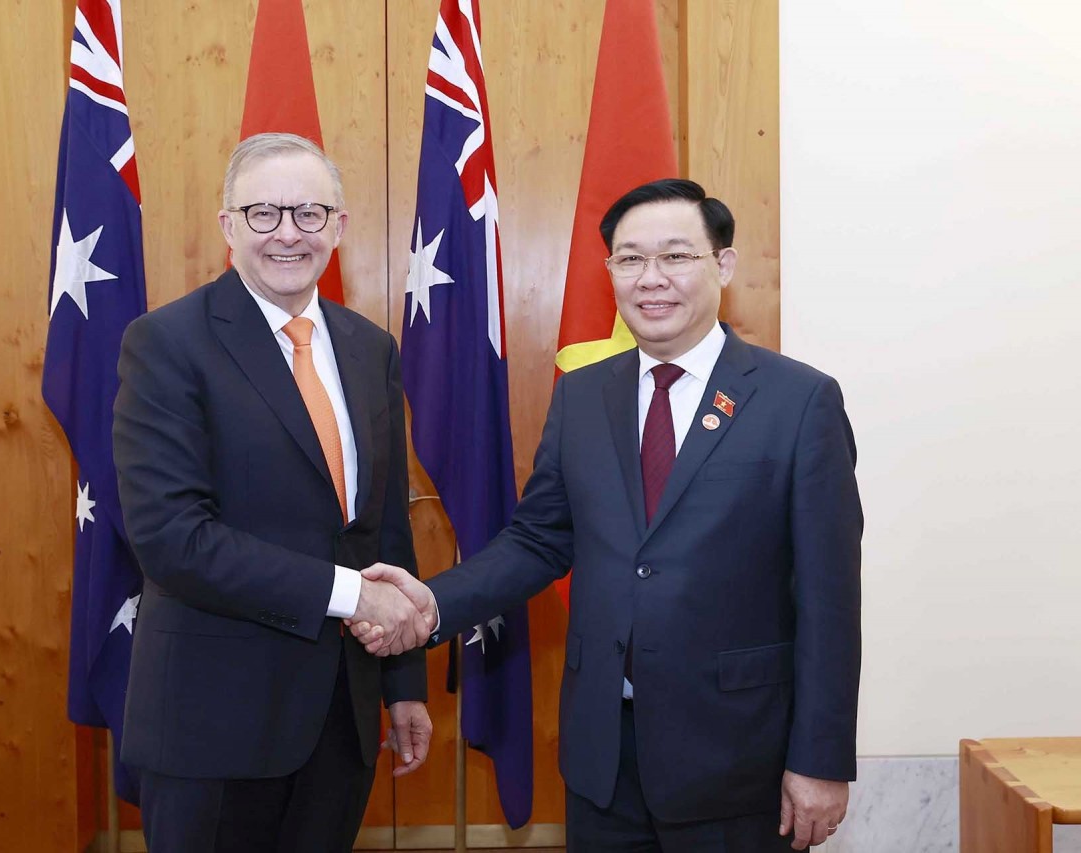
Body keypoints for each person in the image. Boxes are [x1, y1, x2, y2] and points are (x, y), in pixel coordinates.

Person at [354, 179, 863, 852]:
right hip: (602, 758)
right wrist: (429, 604)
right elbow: (538, 539)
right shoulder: (586, 397)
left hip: (736, 759)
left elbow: (830, 598)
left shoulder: (799, 402)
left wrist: (821, 758)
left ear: (724, 266)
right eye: (629, 259)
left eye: (676, 256)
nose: (651, 278)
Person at [113, 132, 432, 852]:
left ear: (339, 227)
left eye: (310, 213)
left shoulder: (369, 347)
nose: (288, 232)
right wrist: (353, 595)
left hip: (340, 721)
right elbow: (171, 539)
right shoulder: (166, 343)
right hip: (213, 724)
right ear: (228, 226)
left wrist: (401, 681)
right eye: (263, 213)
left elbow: (381, 532)